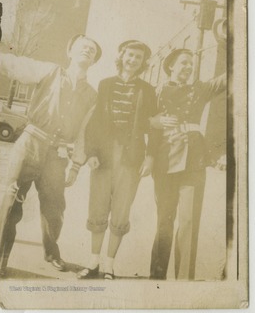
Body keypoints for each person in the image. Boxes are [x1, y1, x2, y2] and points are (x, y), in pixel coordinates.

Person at [0, 34, 102, 278]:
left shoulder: (92, 95)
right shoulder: (48, 71)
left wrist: (76, 165)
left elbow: (84, 132)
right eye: (83, 46)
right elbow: (12, 65)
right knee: (11, 201)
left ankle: (51, 253)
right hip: (30, 143)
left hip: (58, 154)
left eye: (92, 50)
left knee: (55, 208)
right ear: (70, 51)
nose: (87, 51)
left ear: (94, 61)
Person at [77, 40, 157, 280]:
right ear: (121, 56)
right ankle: (93, 262)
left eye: (138, 58)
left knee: (121, 210)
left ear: (143, 63)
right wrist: (91, 153)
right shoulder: (106, 85)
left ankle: (109, 264)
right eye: (129, 55)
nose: (133, 60)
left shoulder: (148, 90)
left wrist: (150, 157)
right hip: (103, 155)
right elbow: (95, 122)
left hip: (131, 157)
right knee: (98, 206)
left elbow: (153, 126)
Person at [149, 48, 226, 280]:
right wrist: (154, 121)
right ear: (171, 65)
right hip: (165, 158)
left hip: (193, 159)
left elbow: (227, 78)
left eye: (191, 64)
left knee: (189, 220)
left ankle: (184, 280)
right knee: (164, 219)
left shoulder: (200, 89)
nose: (188, 68)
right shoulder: (157, 92)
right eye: (183, 63)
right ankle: (157, 277)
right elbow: (143, 119)